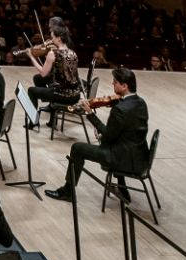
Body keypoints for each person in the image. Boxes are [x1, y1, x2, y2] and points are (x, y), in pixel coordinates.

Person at [45, 68, 149, 203]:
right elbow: (127, 131)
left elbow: (107, 136)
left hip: (122, 159)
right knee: (121, 142)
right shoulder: (141, 103)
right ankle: (122, 189)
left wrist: (90, 114)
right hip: (140, 156)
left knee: (77, 148)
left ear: (124, 86)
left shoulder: (120, 109)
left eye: (115, 82)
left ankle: (68, 192)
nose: (113, 84)